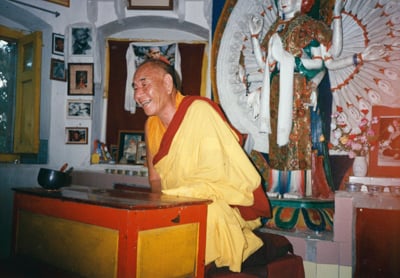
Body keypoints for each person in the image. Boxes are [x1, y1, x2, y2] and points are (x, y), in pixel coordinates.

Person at [132, 59, 272, 272]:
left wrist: (175, 200)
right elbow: (154, 178)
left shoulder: (199, 111)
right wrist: (161, 209)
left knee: (209, 213)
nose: (137, 95)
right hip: (174, 204)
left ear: (168, 84)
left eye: (144, 84)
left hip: (222, 204)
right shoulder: (150, 125)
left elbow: (215, 178)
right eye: (134, 88)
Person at [247, 0, 384, 196]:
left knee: (296, 139)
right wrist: (254, 36)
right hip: (277, 89)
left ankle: (297, 186)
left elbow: (328, 60)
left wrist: (358, 56)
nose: (284, 2)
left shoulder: (309, 25)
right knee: (276, 141)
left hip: (299, 89)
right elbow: (264, 64)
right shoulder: (275, 29)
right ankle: (278, 185)